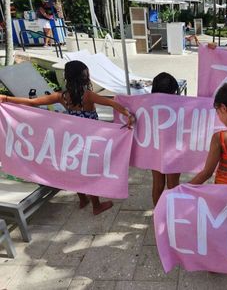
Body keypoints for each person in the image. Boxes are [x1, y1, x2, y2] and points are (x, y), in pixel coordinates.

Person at [0, 60, 135, 215]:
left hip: (72, 139)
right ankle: (96, 205)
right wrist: (128, 115)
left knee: (76, 169)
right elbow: (111, 103)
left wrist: (6, 98)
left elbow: (33, 102)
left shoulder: (62, 96)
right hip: (90, 141)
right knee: (88, 170)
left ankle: (83, 199)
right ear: (84, 76)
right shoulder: (88, 96)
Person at [151, 72, 181, 205]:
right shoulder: (179, 107)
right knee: (173, 185)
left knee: (158, 184)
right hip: (174, 151)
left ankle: (158, 215)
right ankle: (172, 216)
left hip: (156, 150)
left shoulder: (148, 106)